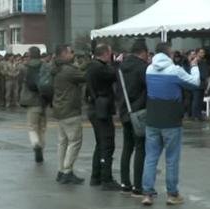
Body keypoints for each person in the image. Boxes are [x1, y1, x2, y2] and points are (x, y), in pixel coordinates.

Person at [141, 42, 200, 207]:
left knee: (151, 157)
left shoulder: (149, 69)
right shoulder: (175, 70)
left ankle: (147, 193)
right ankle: (172, 194)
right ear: (169, 53)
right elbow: (195, 83)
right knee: (171, 159)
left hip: (152, 118)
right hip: (171, 120)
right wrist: (194, 66)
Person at [85, 44, 121, 190]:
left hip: (95, 107)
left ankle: (96, 175)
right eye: (110, 54)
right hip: (101, 108)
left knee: (100, 143)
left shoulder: (92, 66)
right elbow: (113, 75)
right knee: (107, 143)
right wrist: (116, 63)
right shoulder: (99, 68)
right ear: (105, 54)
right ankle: (106, 178)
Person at [50, 44, 87, 185]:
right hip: (70, 110)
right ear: (64, 54)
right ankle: (67, 171)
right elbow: (84, 77)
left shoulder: (56, 68)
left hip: (59, 108)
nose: (73, 55)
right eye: (71, 52)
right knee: (75, 141)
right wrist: (87, 64)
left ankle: (61, 170)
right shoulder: (68, 70)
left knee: (62, 142)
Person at [119, 42, 148, 195]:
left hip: (125, 111)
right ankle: (138, 185)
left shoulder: (121, 67)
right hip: (140, 112)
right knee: (140, 148)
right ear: (143, 52)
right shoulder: (143, 68)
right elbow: (148, 88)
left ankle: (125, 182)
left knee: (127, 147)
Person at [19, 47, 47, 163]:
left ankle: (36, 144)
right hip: (43, 100)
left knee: (32, 127)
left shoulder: (24, 67)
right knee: (42, 128)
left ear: (29, 55)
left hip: (30, 101)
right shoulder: (45, 66)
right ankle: (41, 147)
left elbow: (19, 81)